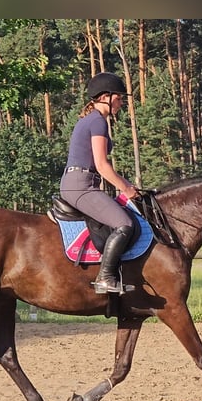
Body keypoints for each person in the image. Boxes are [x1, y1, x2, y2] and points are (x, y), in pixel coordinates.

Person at [60, 72, 139, 294]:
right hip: (80, 185)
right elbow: (102, 165)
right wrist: (126, 188)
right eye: (119, 98)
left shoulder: (92, 120)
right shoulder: (97, 122)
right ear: (106, 96)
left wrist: (128, 185)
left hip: (82, 183)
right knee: (125, 224)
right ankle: (105, 278)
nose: (121, 103)